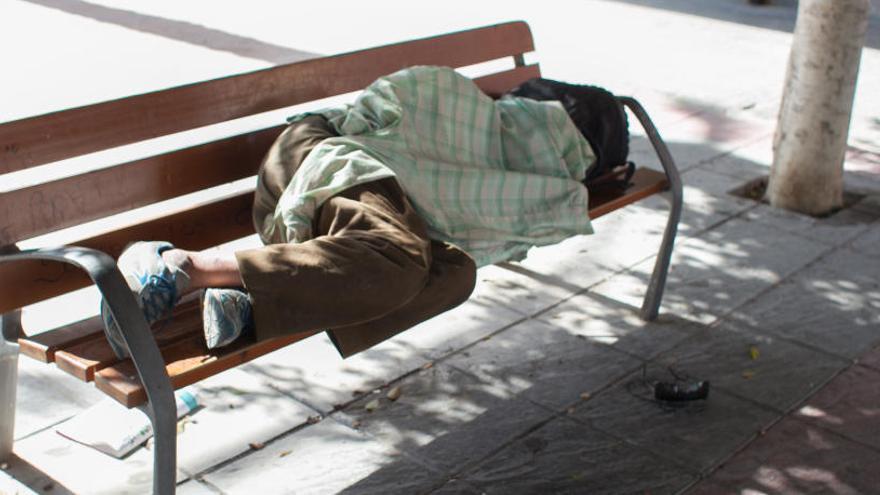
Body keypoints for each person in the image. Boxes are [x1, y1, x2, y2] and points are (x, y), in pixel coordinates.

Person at [100, 66, 628, 360]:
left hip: (356, 198)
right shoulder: (489, 118)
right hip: (329, 156)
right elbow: (415, 100)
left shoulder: (509, 143)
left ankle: (247, 306)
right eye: (569, 150)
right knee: (398, 259)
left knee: (454, 272)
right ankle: (183, 266)